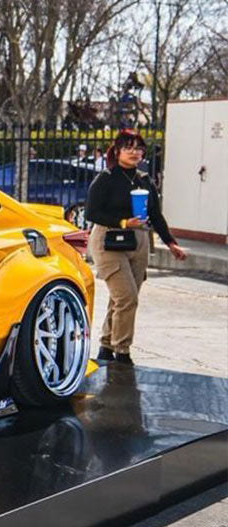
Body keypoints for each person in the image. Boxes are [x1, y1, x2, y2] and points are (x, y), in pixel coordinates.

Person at [85, 129, 187, 365]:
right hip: (109, 240)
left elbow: (156, 215)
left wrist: (171, 243)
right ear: (118, 151)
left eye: (139, 148)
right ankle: (122, 351)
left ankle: (106, 346)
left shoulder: (144, 180)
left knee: (121, 299)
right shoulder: (106, 178)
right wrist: (123, 222)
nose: (134, 152)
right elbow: (92, 212)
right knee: (127, 297)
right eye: (129, 147)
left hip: (138, 240)